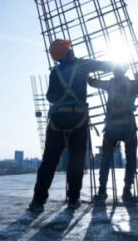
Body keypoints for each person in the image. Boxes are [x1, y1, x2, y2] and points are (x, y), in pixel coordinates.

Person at [28, 39, 113, 212]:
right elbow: (103, 65)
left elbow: (50, 97)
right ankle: (73, 199)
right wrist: (118, 67)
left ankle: (38, 201)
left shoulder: (55, 72)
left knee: (49, 162)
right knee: (76, 161)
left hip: (57, 122)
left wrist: (63, 96)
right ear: (68, 52)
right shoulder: (82, 65)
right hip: (78, 121)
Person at [88, 65, 138, 203]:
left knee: (105, 159)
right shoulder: (131, 84)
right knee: (130, 159)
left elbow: (92, 83)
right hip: (128, 127)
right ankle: (127, 190)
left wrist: (85, 72)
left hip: (112, 128)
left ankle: (102, 190)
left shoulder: (110, 84)